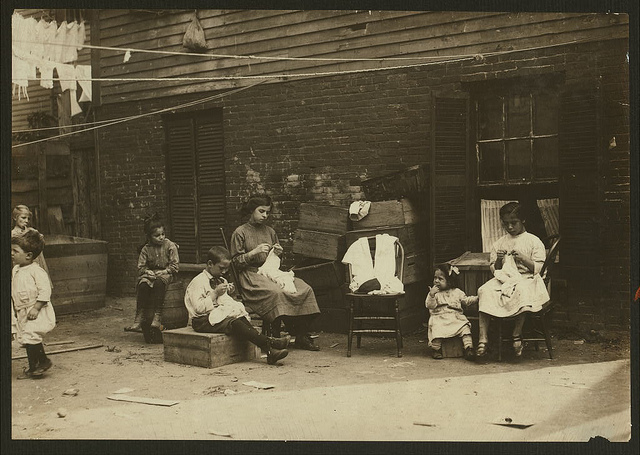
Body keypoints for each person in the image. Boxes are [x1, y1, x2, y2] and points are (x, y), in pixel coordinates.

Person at [230, 194, 321, 351]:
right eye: (261, 211)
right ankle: (274, 336)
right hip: (251, 276)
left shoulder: (270, 231)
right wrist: (252, 253)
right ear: (252, 210)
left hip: (271, 272)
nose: (265, 216)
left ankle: (300, 334)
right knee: (276, 292)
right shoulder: (240, 232)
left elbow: (276, 262)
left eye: (267, 212)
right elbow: (235, 263)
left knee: (304, 288)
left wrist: (278, 253)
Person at [184, 246, 291, 365]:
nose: (224, 272)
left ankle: (270, 351)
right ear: (210, 264)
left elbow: (224, 301)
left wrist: (228, 294)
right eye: (221, 268)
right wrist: (215, 293)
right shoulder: (198, 282)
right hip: (201, 320)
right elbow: (198, 309)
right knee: (234, 323)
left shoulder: (220, 280)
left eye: (226, 269)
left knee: (240, 318)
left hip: (216, 315)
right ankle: (271, 343)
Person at [476, 202, 549, 359]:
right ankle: (483, 338)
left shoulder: (533, 241)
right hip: (506, 278)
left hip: (527, 278)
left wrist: (523, 258)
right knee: (484, 290)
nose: (509, 227)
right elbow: (494, 269)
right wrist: (498, 261)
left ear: (523, 221)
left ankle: (517, 332)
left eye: (513, 223)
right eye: (506, 224)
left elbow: (538, 269)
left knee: (521, 290)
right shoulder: (500, 242)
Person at [11, 229, 56, 379]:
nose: (12, 254)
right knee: (28, 338)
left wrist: (36, 308)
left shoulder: (36, 271)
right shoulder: (16, 269)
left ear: (29, 255)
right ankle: (40, 363)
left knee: (30, 336)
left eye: (15, 251)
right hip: (23, 310)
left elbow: (45, 291)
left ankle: (38, 365)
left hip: (37, 310)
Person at [124, 214, 179, 336]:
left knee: (159, 283)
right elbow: (141, 267)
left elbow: (175, 266)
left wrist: (165, 271)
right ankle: (139, 317)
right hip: (151, 274)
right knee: (143, 284)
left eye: (162, 234)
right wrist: (147, 272)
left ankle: (158, 315)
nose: (161, 237)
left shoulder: (170, 246)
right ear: (149, 237)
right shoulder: (146, 249)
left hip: (167, 273)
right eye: (157, 235)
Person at [425, 263, 477, 361]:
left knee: (465, 327)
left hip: (455, 317)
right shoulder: (434, 293)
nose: (436, 281)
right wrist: (431, 295)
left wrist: (477, 298)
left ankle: (468, 347)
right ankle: (436, 349)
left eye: (440, 279)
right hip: (439, 316)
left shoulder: (457, 292)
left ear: (449, 281)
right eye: (435, 278)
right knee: (437, 328)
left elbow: (466, 301)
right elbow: (429, 305)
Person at [11, 205, 51, 278]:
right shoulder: (12, 235)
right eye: (23, 218)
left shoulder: (33, 232)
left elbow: (40, 255)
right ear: (15, 218)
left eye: (28, 219)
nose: (26, 221)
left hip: (35, 264)